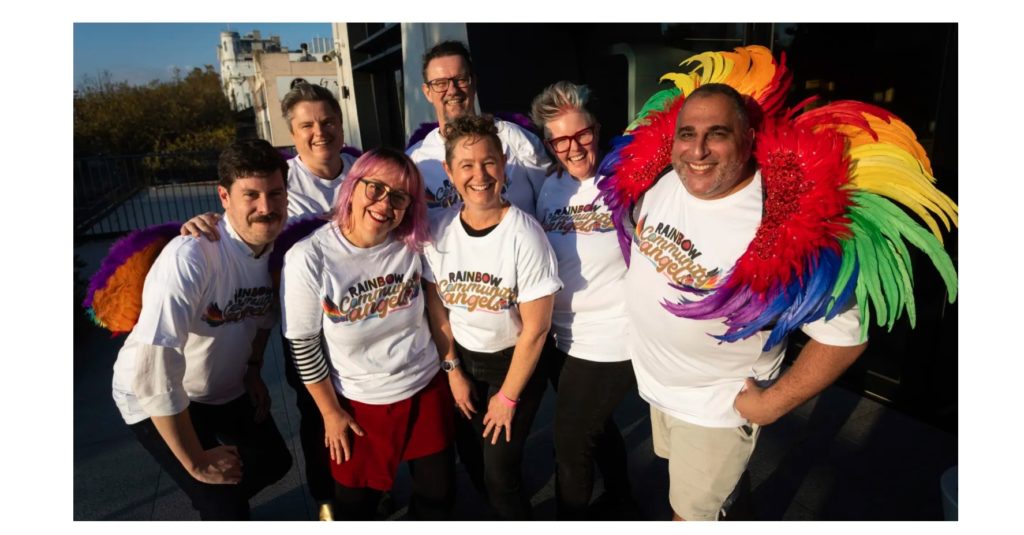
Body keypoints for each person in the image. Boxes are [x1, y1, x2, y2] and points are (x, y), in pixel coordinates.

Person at [623, 84, 867, 521]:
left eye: (716, 134)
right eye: (687, 133)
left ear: (748, 138)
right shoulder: (662, 184)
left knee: (688, 516)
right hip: (658, 388)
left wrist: (773, 404)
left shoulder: (781, 223)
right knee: (714, 494)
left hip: (714, 407)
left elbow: (846, 337)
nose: (697, 150)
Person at [180, 82, 356, 519]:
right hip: (306, 327)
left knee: (368, 407)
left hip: (369, 317)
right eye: (307, 125)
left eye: (328, 121)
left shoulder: (363, 170)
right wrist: (199, 222)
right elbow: (237, 221)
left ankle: (367, 487)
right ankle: (327, 499)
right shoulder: (280, 183)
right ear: (292, 133)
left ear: (341, 121)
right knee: (318, 416)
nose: (320, 132)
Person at [110, 139, 293, 520]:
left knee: (275, 461)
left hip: (219, 386)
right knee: (221, 497)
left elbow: (260, 318)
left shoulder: (279, 245)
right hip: (152, 392)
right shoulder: (193, 255)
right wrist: (196, 462)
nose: (266, 207)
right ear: (224, 196)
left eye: (275, 193)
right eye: (251, 195)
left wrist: (254, 371)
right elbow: (153, 367)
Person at [280, 148, 456, 520]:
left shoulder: (412, 242)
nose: (384, 204)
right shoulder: (309, 257)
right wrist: (330, 413)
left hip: (424, 387)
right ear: (352, 187)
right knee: (354, 506)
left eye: (399, 197)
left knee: (437, 496)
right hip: (359, 402)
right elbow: (304, 345)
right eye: (374, 188)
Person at [421, 114, 561, 520]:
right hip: (464, 361)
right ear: (449, 171)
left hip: (514, 366)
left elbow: (536, 330)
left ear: (504, 165)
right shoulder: (439, 230)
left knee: (501, 472)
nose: (478, 175)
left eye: (488, 162)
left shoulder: (524, 235)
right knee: (476, 462)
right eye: (466, 165)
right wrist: (452, 370)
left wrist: (508, 397)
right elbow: (437, 305)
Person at [529, 81, 637, 519]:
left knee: (570, 446)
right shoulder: (550, 185)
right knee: (597, 428)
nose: (573, 148)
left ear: (597, 127)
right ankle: (623, 499)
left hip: (611, 338)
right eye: (559, 139)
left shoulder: (627, 179)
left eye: (582, 134)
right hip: (559, 337)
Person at [406, 40, 549, 217]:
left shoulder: (515, 138)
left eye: (460, 79)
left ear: (474, 82)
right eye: (440, 83)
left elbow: (551, 200)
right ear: (427, 92)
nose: (452, 90)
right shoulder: (415, 161)